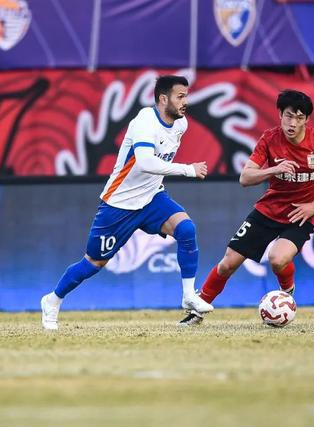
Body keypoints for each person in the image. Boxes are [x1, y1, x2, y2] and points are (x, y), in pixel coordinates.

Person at [41, 75, 214, 330]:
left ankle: (189, 295)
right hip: (119, 204)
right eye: (180, 97)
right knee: (93, 264)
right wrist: (188, 170)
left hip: (152, 198)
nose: (185, 102)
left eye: (186, 96)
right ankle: (52, 300)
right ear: (163, 99)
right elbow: (145, 162)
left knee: (186, 229)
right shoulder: (144, 121)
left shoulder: (181, 124)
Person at [179, 89, 314, 325]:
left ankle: (287, 294)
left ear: (307, 119)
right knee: (228, 263)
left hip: (300, 215)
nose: (293, 123)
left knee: (278, 259)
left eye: (299, 118)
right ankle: (197, 312)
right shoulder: (269, 139)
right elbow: (245, 178)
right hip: (267, 211)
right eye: (289, 116)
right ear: (280, 114)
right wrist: (274, 169)